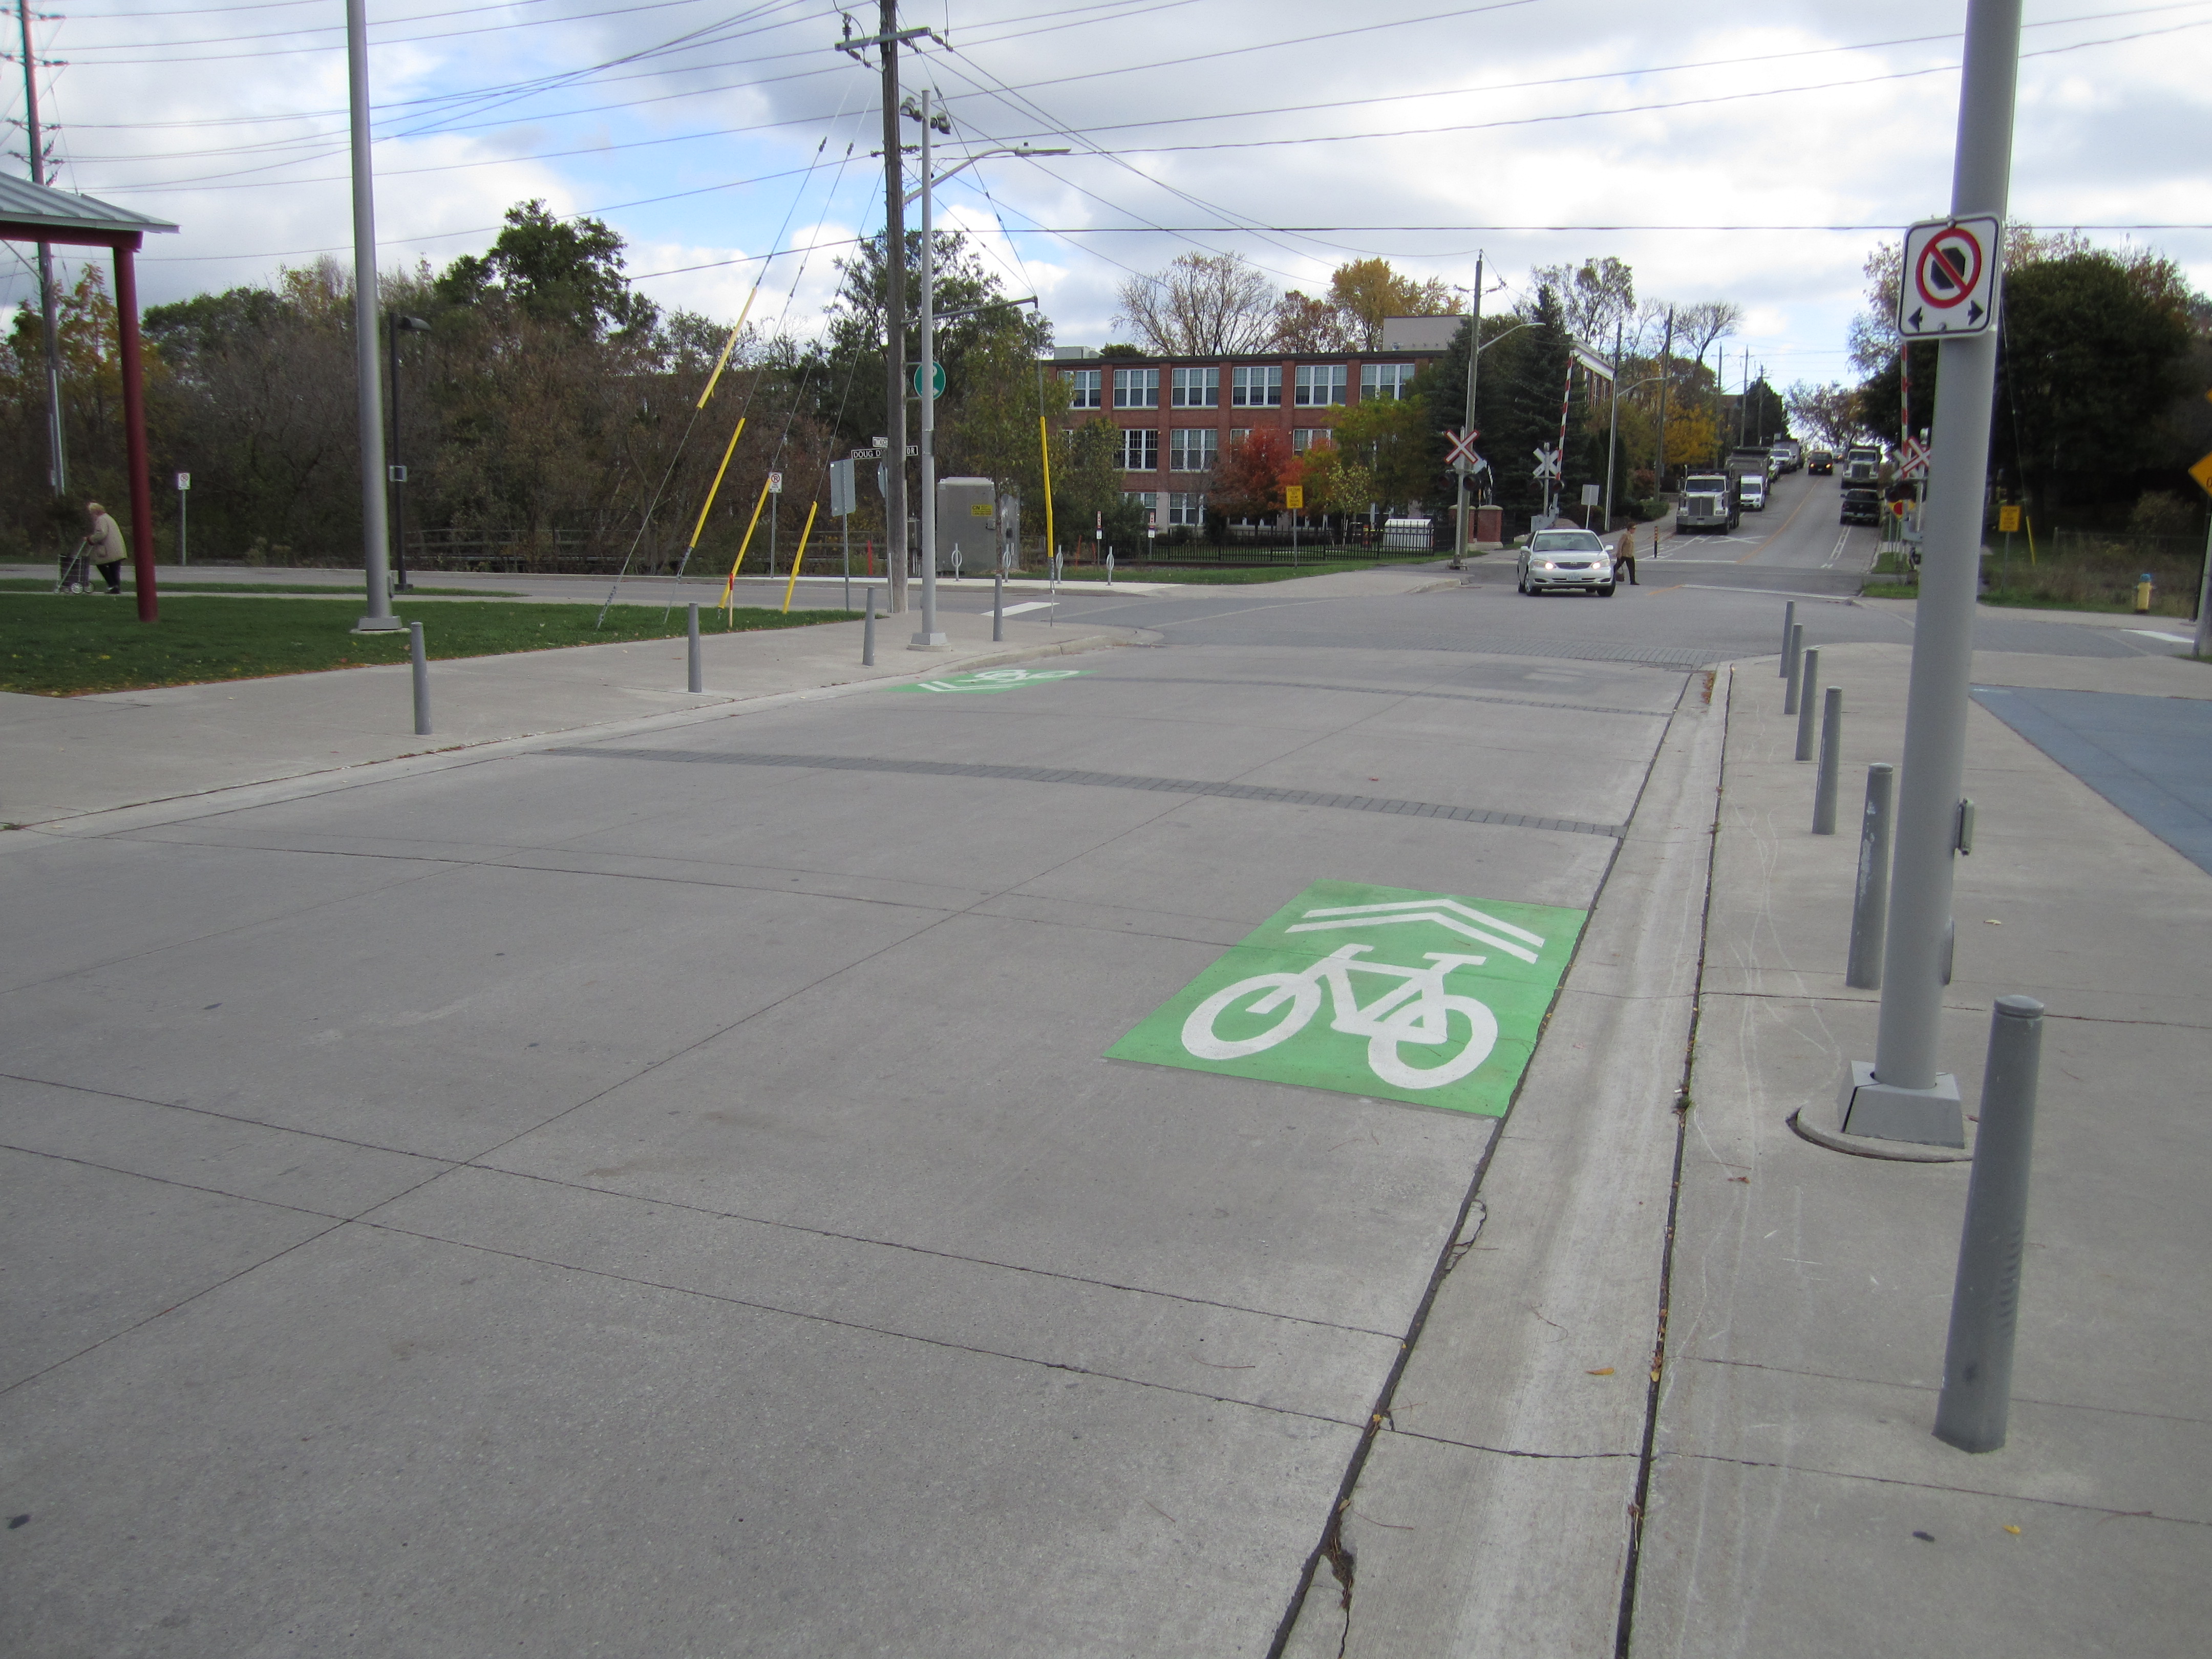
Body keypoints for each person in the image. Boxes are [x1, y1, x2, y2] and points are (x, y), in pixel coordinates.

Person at [82, 501, 129, 595]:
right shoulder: (108, 518)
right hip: (117, 548)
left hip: (108, 549)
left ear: (95, 512)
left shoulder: (101, 520)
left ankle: (112, 585)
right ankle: (116, 587)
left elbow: (101, 533)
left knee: (101, 564)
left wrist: (90, 539)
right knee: (114, 568)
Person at [1614, 522, 1639, 587]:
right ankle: (1610, 577)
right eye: (1633, 528)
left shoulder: (1631, 535)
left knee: (1632, 568)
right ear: (1629, 529)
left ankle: (1633, 581)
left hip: (1630, 555)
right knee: (1617, 566)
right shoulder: (1625, 535)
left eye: (1635, 529)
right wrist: (1619, 552)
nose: (1634, 530)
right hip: (1624, 555)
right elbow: (1620, 544)